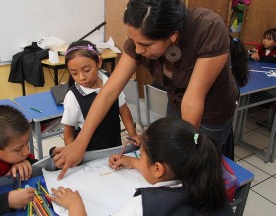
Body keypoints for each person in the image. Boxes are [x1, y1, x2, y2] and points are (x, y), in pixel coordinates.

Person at [53, 0, 246, 180]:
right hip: (178, 103)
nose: (136, 50)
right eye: (133, 41)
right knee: (171, 159)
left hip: (213, 111)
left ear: (173, 34)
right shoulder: (142, 38)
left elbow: (193, 100)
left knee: (194, 165)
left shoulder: (207, 28)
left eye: (145, 45)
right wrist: (80, 143)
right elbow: (109, 92)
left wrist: (185, 148)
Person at [49, 117, 234, 216]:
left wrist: (75, 206)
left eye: (141, 155)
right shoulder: (210, 185)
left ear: (158, 169)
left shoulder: (143, 206)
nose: (138, 157)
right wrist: (135, 163)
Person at [60, 40, 140, 151]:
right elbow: (68, 133)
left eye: (87, 70)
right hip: (90, 153)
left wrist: (132, 134)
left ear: (99, 62)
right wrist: (72, 152)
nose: (81, 77)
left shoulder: (111, 81)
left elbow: (123, 108)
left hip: (115, 145)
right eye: (74, 73)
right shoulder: (72, 97)